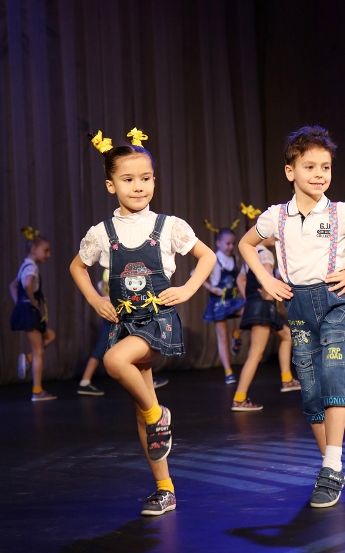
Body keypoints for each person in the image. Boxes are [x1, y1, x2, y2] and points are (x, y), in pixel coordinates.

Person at [239, 125, 345, 508]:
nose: (319, 174)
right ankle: (331, 466)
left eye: (325, 167)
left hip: (334, 301)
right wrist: (266, 278)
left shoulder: (340, 213)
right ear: (290, 171)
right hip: (297, 305)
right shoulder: (276, 217)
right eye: (309, 166)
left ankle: (331, 466)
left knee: (333, 372)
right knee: (310, 390)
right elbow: (246, 244)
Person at [70, 129, 216, 516]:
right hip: (125, 323)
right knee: (141, 409)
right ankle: (165, 489)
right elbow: (77, 267)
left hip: (157, 322)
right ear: (111, 185)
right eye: (128, 179)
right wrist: (96, 300)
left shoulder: (169, 226)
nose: (138, 186)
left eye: (146, 178)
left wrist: (187, 289)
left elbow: (207, 257)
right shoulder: (102, 233)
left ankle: (159, 415)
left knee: (114, 361)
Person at [231, 237, 301, 411]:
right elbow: (267, 281)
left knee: (287, 336)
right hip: (263, 306)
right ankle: (239, 398)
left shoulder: (251, 254)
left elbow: (240, 280)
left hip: (256, 304)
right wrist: (266, 295)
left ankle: (287, 379)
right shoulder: (266, 255)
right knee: (255, 354)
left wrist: (250, 298)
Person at [77, 269, 169, 396]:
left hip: (118, 314)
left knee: (135, 345)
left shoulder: (106, 280)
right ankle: (85, 381)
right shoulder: (111, 277)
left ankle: (146, 382)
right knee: (106, 347)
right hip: (114, 315)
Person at [9, 227, 57, 401]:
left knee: (50, 336)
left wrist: (20, 303)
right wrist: (31, 301)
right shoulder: (31, 267)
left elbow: (13, 286)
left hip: (27, 311)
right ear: (34, 249)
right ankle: (37, 391)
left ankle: (29, 359)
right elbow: (28, 284)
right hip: (30, 312)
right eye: (46, 251)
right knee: (39, 353)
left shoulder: (25, 266)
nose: (48, 255)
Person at [202, 228, 245, 384]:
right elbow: (195, 273)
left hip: (232, 300)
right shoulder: (213, 259)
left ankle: (237, 334)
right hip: (218, 302)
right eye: (227, 243)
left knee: (248, 311)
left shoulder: (234, 258)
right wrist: (211, 288)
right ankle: (228, 372)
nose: (230, 246)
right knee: (222, 336)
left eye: (233, 243)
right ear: (218, 243)